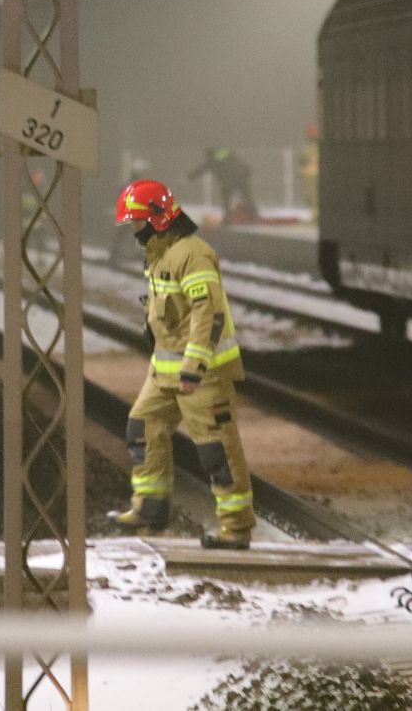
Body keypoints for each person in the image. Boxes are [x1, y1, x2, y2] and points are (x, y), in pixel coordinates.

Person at [109, 178, 256, 549]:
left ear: (158, 219)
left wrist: (194, 365)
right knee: (143, 425)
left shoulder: (192, 253)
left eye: (137, 222)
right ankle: (150, 508)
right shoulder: (162, 253)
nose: (134, 231)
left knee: (216, 448)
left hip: (200, 374)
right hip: (165, 371)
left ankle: (236, 528)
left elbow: (208, 312)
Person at [188, 147, 259, 224]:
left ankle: (228, 218)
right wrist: (246, 174)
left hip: (229, 182)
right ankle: (254, 215)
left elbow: (202, 169)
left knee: (226, 201)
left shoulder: (212, 160)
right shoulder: (227, 154)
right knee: (247, 198)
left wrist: (190, 176)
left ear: (209, 155)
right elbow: (243, 165)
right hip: (241, 179)